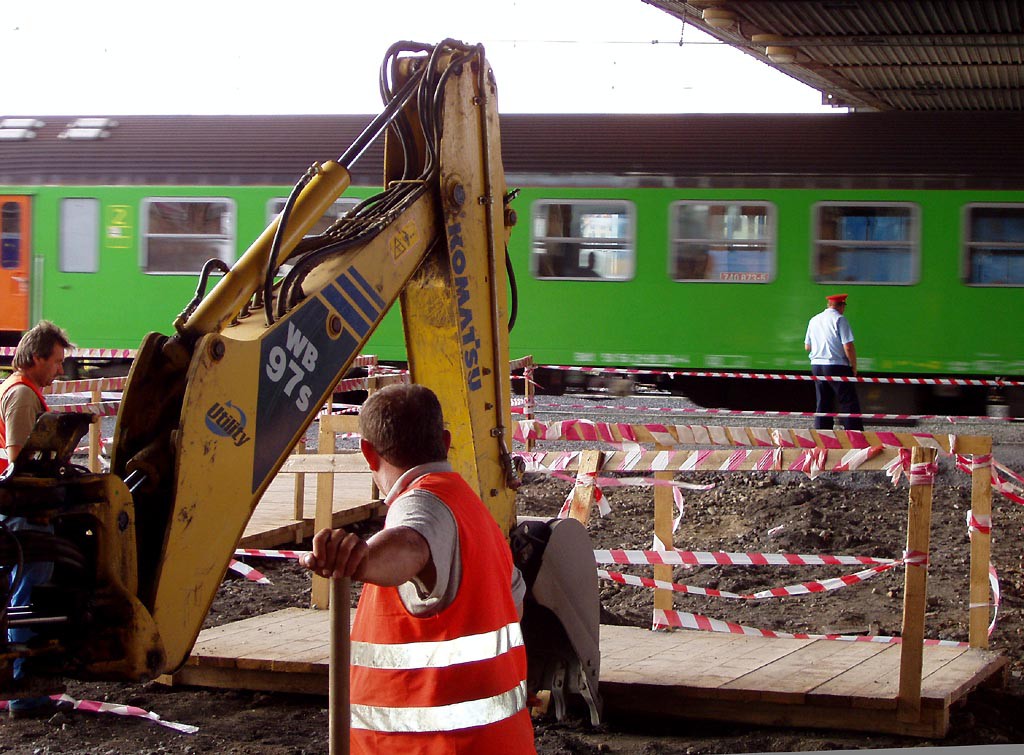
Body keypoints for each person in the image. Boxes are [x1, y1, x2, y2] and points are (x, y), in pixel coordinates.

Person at [302, 383, 534, 754]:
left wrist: (360, 556)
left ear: (367, 452)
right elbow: (512, 606)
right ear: (445, 441)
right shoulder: (474, 514)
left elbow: (410, 543)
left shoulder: (422, 503)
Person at [1, 320, 72, 718]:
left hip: (18, 510)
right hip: (24, 512)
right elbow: (18, 457)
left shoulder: (18, 392)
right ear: (36, 357)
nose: (60, 370)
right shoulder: (22, 396)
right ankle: (25, 692)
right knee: (28, 597)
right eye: (57, 362)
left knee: (21, 592)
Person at [804, 293, 864, 431]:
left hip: (817, 365)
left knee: (823, 400)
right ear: (841, 306)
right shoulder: (840, 319)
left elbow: (807, 346)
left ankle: (822, 432)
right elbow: (848, 346)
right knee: (848, 400)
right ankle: (854, 431)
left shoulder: (814, 319)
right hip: (837, 365)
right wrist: (854, 366)